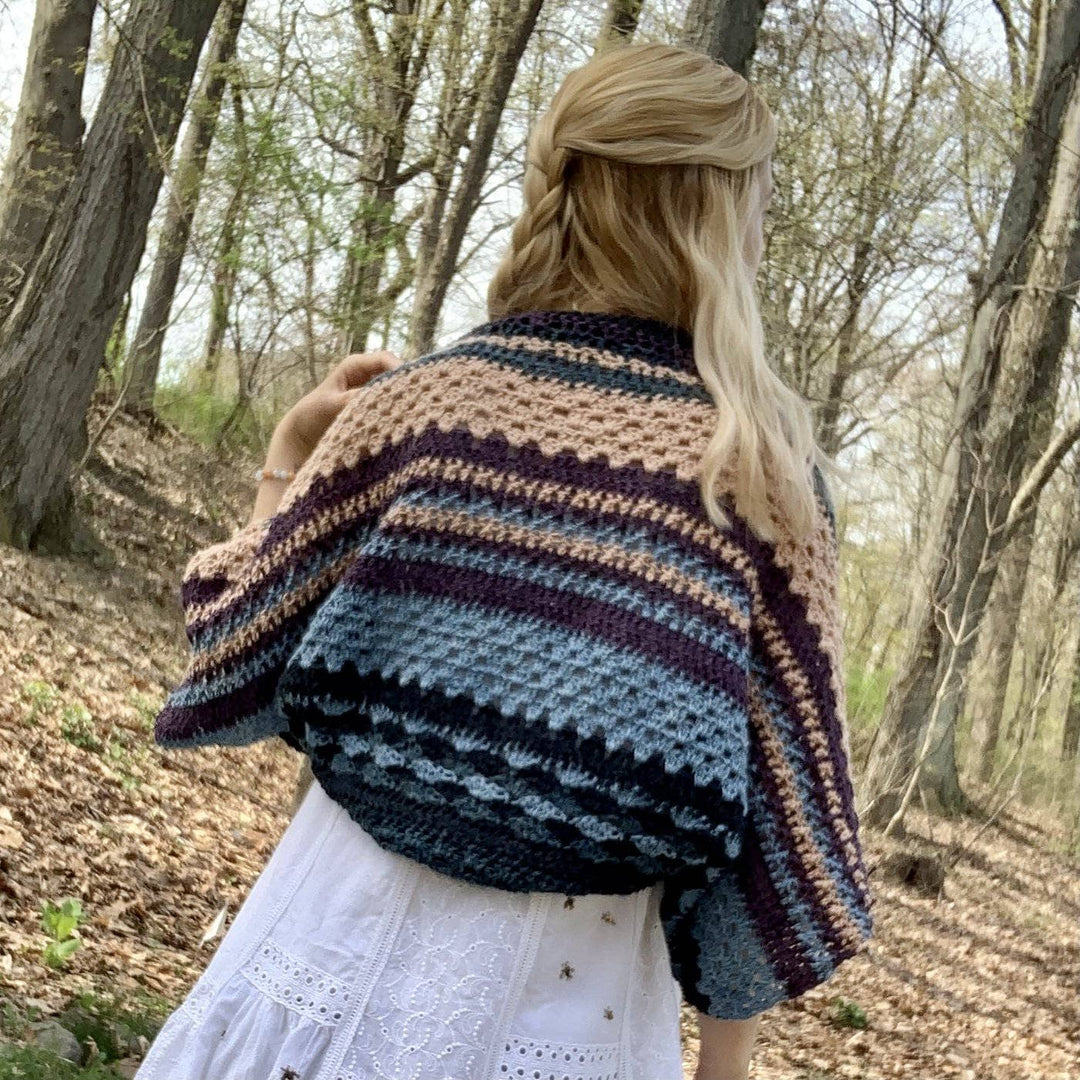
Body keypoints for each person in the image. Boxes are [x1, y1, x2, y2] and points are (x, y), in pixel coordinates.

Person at [137, 42, 873, 1080]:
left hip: (313, 964)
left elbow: (235, 632)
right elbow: (766, 835)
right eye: (755, 198)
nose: (760, 232)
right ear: (709, 212)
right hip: (566, 1020)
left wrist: (287, 461)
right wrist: (723, 1069)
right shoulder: (756, 475)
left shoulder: (423, 404)